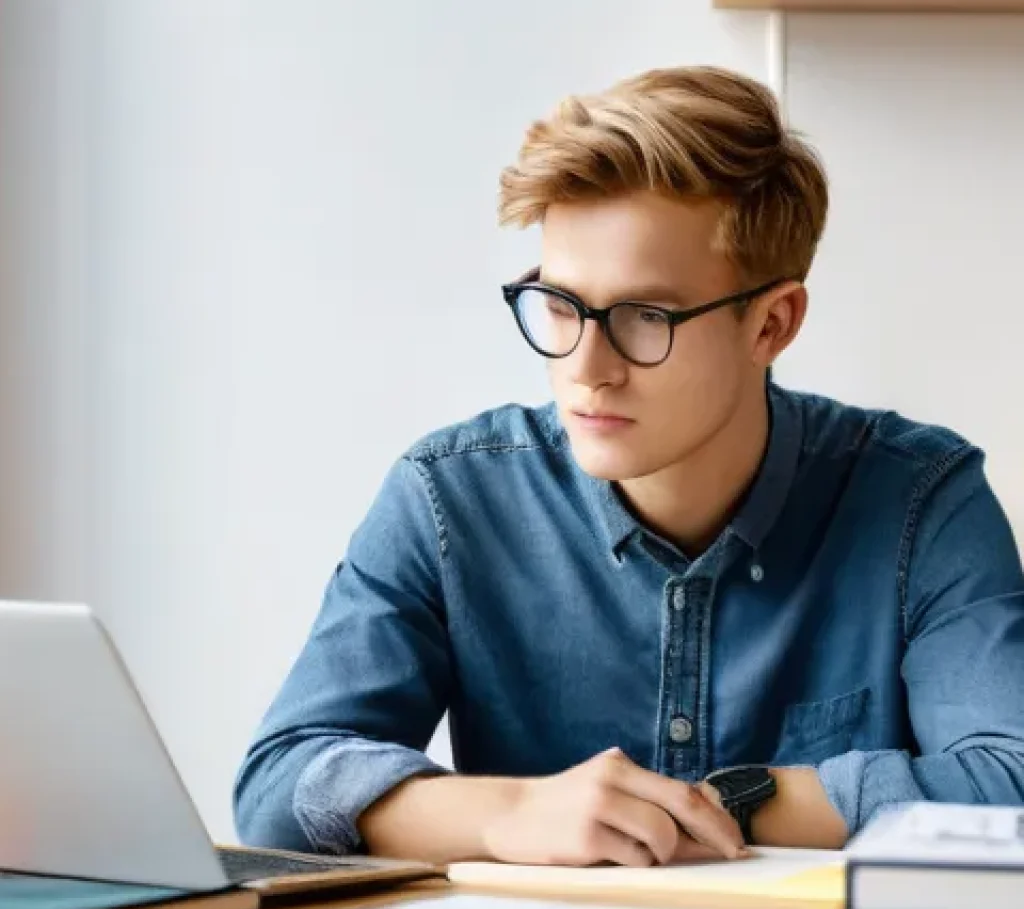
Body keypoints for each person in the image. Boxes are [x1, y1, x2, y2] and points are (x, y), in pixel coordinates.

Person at [234, 66, 1024, 867]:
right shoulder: (449, 498)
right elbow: (279, 789)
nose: (587, 365)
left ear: (772, 324)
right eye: (560, 303)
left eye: (645, 317)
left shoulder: (922, 500)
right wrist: (508, 811)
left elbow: (1012, 782)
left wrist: (732, 804)